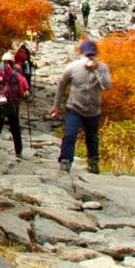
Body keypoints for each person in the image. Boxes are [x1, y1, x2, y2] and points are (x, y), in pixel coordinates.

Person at [49, 40, 112, 174]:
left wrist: (96, 70)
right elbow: (61, 86)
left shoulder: (102, 68)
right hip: (74, 107)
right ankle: (65, 161)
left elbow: (107, 86)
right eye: (87, 55)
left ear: (96, 55)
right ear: (82, 54)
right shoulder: (72, 67)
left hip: (93, 110)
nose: (90, 58)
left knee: (92, 138)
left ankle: (93, 162)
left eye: (92, 55)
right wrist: (56, 106)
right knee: (70, 135)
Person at [0, 51, 29, 159]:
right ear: (12, 62)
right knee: (15, 129)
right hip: (12, 105)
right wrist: (26, 95)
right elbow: (22, 92)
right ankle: (18, 152)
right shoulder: (17, 75)